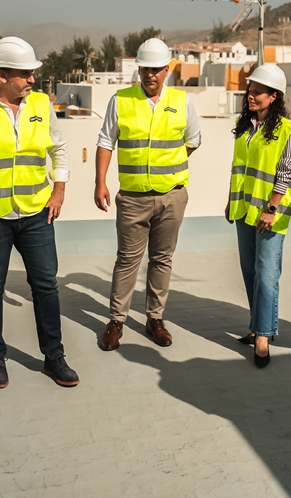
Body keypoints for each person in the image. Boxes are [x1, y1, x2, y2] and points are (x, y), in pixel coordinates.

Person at [0, 36, 79, 389]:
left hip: (37, 214)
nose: (32, 80)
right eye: (25, 74)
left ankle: (54, 357)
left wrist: (60, 190)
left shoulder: (41, 104)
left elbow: (60, 149)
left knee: (45, 286)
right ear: (2, 74)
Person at [94, 38, 201, 351]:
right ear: (138, 69)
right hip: (133, 198)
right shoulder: (121, 100)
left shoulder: (183, 101)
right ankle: (117, 320)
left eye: (156, 69)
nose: (150, 74)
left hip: (172, 196)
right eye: (145, 69)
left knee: (162, 259)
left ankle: (155, 319)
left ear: (167, 70)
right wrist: (100, 182)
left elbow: (193, 140)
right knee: (127, 260)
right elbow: (105, 142)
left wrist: (168, 169)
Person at [224, 64, 291, 368]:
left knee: (267, 275)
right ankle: (257, 324)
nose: (251, 95)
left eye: (257, 91)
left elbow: (285, 172)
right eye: (250, 90)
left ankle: (263, 337)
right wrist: (230, 201)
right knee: (250, 272)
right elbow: (238, 169)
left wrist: (271, 209)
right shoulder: (245, 126)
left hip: (270, 214)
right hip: (244, 210)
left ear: (273, 96)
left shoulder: (286, 130)